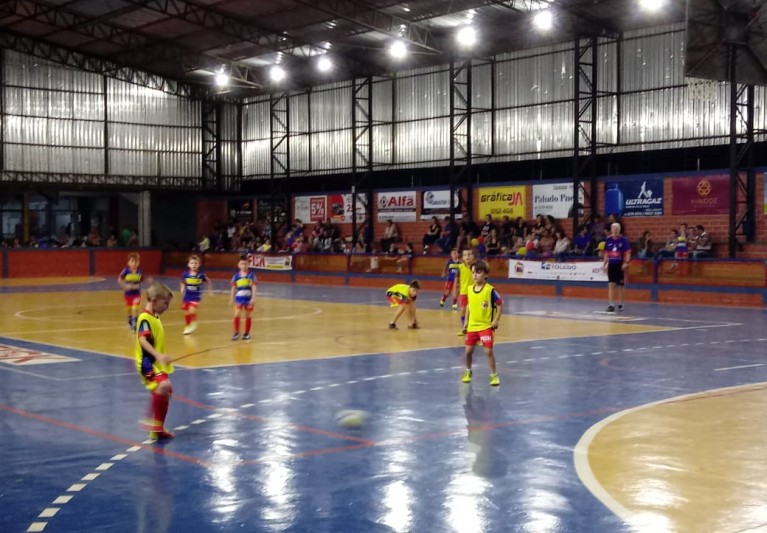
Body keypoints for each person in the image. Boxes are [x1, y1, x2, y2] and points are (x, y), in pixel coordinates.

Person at [135, 281, 175, 442]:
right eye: (165, 304)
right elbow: (143, 340)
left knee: (167, 392)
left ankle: (157, 430)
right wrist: (158, 355)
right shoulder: (144, 318)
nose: (167, 307)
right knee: (164, 387)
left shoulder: (155, 317)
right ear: (154, 301)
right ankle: (149, 420)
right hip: (147, 363)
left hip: (156, 363)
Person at [461, 260, 502, 386]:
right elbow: (469, 305)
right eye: (473, 272)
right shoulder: (469, 289)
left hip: (485, 326)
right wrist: (466, 321)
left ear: (486, 274)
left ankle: (494, 375)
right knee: (468, 352)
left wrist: (496, 320)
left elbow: (500, 304)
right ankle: (468, 371)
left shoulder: (490, 290)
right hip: (472, 326)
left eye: (478, 272)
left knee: (488, 352)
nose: (475, 275)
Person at [180, 254, 213, 335]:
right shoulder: (185, 275)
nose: (194, 265)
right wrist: (182, 290)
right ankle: (188, 326)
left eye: (195, 263)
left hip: (196, 297)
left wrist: (210, 291)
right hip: (187, 296)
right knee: (187, 313)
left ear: (199, 264)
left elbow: (208, 281)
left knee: (192, 310)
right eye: (192, 263)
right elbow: (182, 283)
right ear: (188, 265)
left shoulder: (201, 275)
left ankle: (194, 323)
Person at [602, 222, 631, 313]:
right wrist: (605, 264)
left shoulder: (624, 240)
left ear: (619, 230)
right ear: (611, 230)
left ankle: (621, 304)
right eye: (613, 229)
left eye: (616, 229)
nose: (615, 231)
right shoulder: (608, 239)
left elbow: (628, 253)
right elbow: (606, 253)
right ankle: (611, 305)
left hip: (620, 264)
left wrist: (626, 262)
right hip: (611, 264)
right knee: (611, 284)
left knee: (620, 285)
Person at [230, 256, 257, 340]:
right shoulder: (236, 276)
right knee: (237, 313)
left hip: (248, 298)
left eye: (246, 264)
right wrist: (232, 298)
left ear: (248, 265)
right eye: (242, 264)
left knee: (248, 315)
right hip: (239, 298)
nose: (244, 266)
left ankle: (247, 333)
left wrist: (253, 297)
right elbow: (233, 287)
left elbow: (254, 286)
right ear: (238, 265)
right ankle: (236, 332)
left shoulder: (251, 275)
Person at [118, 252, 144, 332]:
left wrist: (138, 286)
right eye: (132, 261)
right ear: (128, 263)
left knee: (135, 308)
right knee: (129, 309)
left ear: (138, 262)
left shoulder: (140, 271)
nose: (134, 263)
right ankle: (130, 319)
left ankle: (135, 324)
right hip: (128, 294)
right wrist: (125, 286)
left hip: (136, 294)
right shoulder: (125, 271)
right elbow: (119, 280)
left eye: (136, 261)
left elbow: (141, 280)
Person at [457, 248, 477, 335]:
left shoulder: (476, 267)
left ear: (473, 256)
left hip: (474, 292)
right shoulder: (459, 267)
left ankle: (472, 326)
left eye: (469, 254)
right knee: (463, 310)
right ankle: (464, 327)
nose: (467, 257)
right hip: (464, 292)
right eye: (465, 255)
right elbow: (456, 281)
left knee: (473, 310)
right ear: (462, 257)